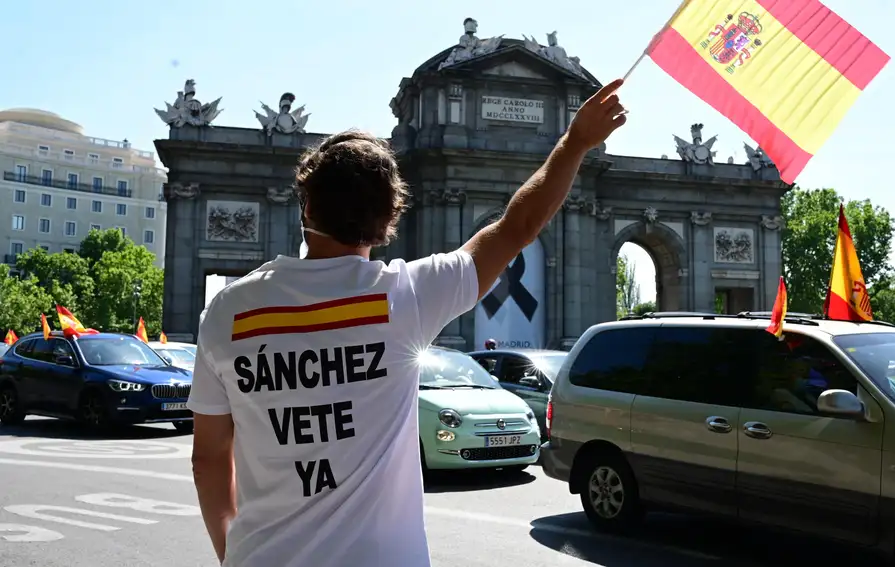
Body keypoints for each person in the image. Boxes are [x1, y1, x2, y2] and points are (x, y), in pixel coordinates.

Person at [186, 78, 627, 567]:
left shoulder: (228, 311)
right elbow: (518, 227)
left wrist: (235, 553)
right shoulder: (405, 296)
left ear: (306, 205)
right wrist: (574, 143)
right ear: (387, 220)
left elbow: (208, 459)